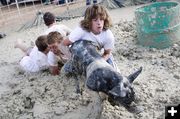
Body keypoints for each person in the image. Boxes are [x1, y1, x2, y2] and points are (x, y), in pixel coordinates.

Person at [63, 4, 119, 71]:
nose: (99, 23)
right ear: (89, 21)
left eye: (101, 19)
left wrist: (99, 62)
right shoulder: (80, 31)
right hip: (81, 55)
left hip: (98, 55)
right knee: (66, 70)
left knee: (114, 72)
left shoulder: (108, 35)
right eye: (95, 20)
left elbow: (107, 53)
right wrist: (72, 58)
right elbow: (64, 43)